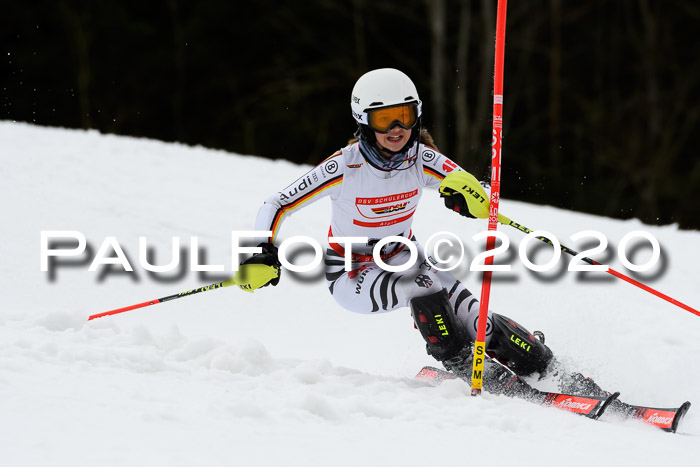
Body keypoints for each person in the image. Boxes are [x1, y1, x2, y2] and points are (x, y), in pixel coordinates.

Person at [241, 68, 561, 396]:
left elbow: (473, 187)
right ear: (364, 121)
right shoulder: (344, 167)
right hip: (351, 274)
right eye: (384, 120)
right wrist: (260, 250)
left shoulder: (422, 159)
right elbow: (278, 203)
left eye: (404, 116)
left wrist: (471, 198)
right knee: (425, 288)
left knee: (478, 319)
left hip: (406, 256)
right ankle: (464, 363)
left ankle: (545, 366)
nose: (397, 129)